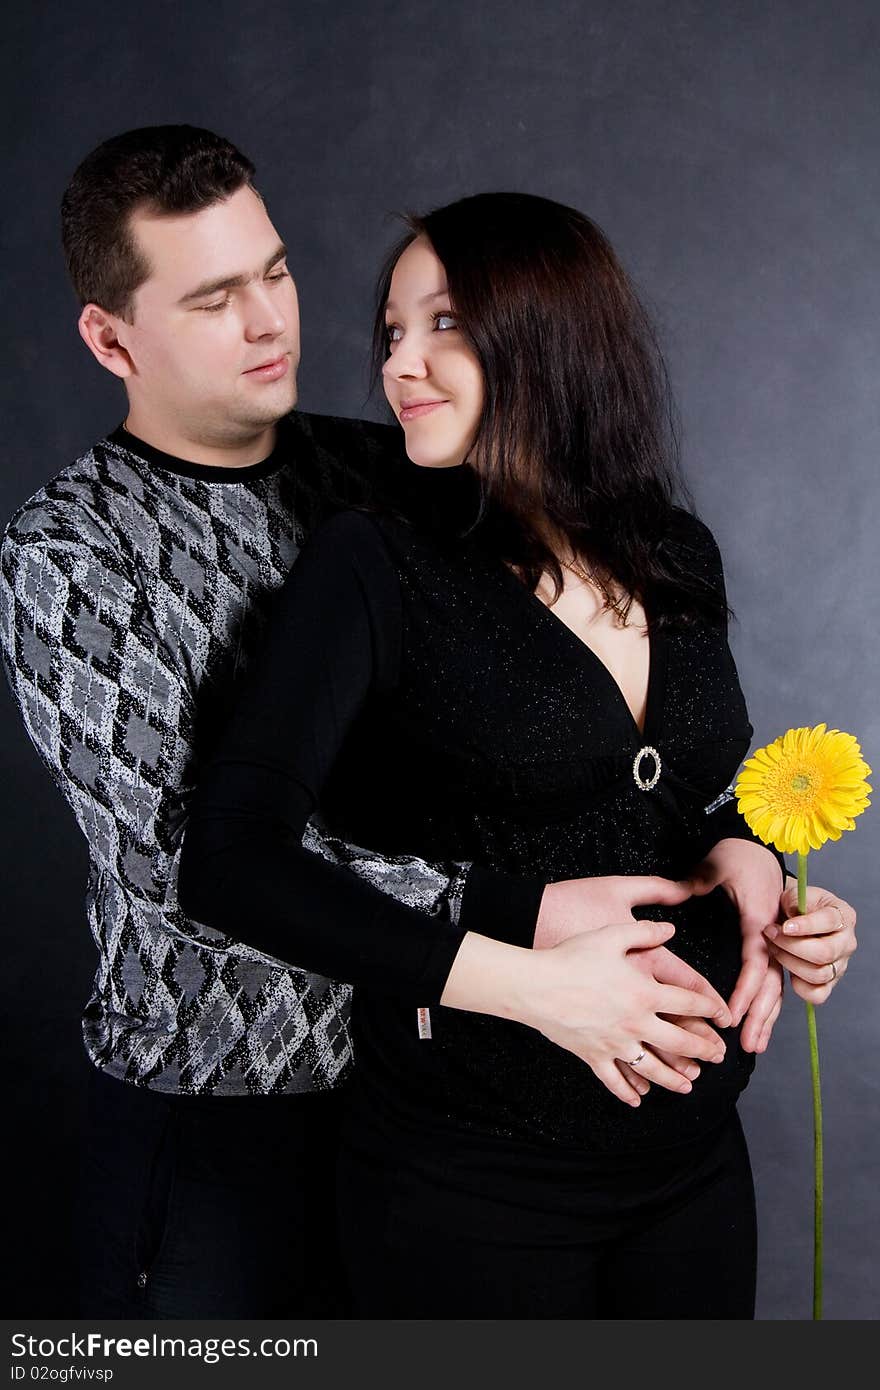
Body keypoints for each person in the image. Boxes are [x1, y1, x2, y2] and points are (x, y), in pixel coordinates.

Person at [0, 127, 853, 1320]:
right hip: (228, 1120)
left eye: (278, 273)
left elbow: (564, 749)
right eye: (212, 298)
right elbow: (181, 871)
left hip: (437, 1082)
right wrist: (507, 931)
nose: (270, 324)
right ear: (110, 337)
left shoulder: (387, 470)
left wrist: (737, 850)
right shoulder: (74, 556)